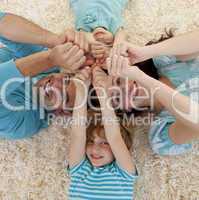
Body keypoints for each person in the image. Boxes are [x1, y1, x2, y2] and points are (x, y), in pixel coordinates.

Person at [0, 11, 90, 139]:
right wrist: (55, 40)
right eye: (66, 80)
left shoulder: (24, 123)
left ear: (63, 113)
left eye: (64, 96)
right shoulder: (51, 69)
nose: (56, 83)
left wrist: (49, 59)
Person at [107, 40, 199, 156]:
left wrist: (146, 51)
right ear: (127, 109)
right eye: (118, 97)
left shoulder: (163, 61)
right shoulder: (161, 132)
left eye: (120, 80)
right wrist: (139, 76)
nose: (125, 89)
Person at [67, 66, 137, 199]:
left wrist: (102, 93)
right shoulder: (79, 169)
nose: (95, 148)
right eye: (91, 141)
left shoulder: (124, 172)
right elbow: (78, 135)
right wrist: (81, 90)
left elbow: (114, 137)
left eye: (105, 143)